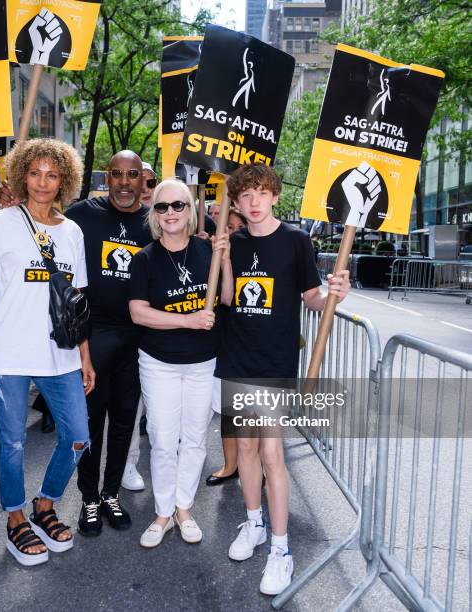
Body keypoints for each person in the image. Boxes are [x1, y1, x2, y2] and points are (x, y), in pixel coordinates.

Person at [0, 138, 94, 567]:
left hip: (61, 355)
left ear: (64, 179)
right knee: (11, 442)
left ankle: (44, 506)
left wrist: (85, 356)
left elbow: (76, 302)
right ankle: (15, 518)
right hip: (10, 352)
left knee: (77, 437)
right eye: (35, 173)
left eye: (52, 174)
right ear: (21, 176)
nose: (43, 182)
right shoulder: (1, 223)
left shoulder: (73, 232)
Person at [215, 164, 350, 595]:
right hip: (238, 357)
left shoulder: (295, 240)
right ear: (235, 203)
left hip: (274, 363)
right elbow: (228, 298)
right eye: (245, 196)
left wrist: (334, 293)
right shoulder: (232, 241)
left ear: (274, 195)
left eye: (260, 193)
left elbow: (312, 298)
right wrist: (222, 260)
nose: (253, 202)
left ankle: (281, 549)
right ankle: (253, 522)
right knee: (248, 449)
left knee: (272, 453)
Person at [129, 178, 229, 548]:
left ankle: (184, 508)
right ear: (154, 214)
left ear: (190, 210)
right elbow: (138, 313)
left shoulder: (208, 252)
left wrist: (227, 258)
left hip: (203, 362)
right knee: (162, 438)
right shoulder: (145, 259)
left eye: (177, 205)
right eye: (161, 207)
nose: (169, 212)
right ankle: (162, 513)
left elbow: (228, 296)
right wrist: (187, 320)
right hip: (159, 363)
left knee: (195, 438)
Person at [65, 151, 153, 535]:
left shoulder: (153, 223)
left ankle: (110, 493)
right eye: (116, 174)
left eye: (132, 175)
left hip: (137, 341)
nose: (123, 182)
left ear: (142, 181)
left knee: (123, 422)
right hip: (93, 338)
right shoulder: (82, 214)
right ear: (107, 177)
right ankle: (87, 497)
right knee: (90, 423)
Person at [205, 206, 248, 487]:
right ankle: (231, 465)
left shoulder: (258, 253)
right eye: (226, 226)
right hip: (224, 338)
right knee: (229, 408)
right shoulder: (214, 255)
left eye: (235, 227)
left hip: (253, 340)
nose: (230, 232)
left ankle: (259, 467)